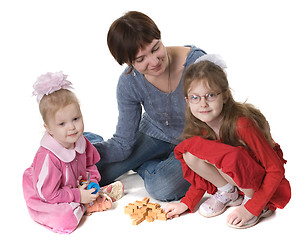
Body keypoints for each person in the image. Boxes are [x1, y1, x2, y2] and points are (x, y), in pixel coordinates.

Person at [84, 11, 207, 201]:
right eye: (141, 59)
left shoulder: (197, 65)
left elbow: (221, 115)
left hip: (196, 142)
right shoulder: (129, 82)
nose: (154, 61)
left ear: (160, 37)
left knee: (163, 186)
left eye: (156, 48)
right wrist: (83, 151)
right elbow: (123, 144)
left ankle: (142, 163)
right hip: (154, 132)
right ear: (128, 62)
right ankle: (87, 141)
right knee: (97, 174)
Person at [164, 55, 291, 228]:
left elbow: (275, 169)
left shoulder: (242, 124)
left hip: (258, 183)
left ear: (225, 96)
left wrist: (251, 208)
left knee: (232, 156)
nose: (203, 104)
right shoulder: (202, 126)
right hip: (237, 178)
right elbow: (201, 172)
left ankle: (252, 200)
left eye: (210, 95)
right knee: (190, 152)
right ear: (187, 100)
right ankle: (228, 193)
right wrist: (187, 202)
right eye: (195, 97)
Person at [22, 72, 123, 234]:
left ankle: (92, 197)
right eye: (62, 123)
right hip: (47, 195)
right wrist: (78, 195)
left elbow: (90, 165)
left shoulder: (80, 141)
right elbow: (49, 194)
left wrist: (92, 183)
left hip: (74, 186)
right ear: (49, 129)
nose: (72, 127)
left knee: (93, 178)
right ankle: (85, 204)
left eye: (76, 119)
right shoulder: (49, 157)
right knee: (66, 219)